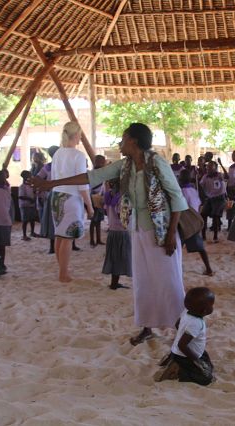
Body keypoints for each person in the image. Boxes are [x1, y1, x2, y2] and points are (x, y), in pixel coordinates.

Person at [32, 123, 188, 346]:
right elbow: (91, 177)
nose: (120, 143)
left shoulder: (156, 162)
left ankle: (182, 329)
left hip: (161, 231)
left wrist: (171, 234)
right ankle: (147, 327)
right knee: (143, 280)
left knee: (168, 280)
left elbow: (177, 198)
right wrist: (51, 183)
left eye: (123, 138)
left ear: (133, 141)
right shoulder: (125, 165)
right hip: (138, 229)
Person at [50, 122, 94, 282]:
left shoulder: (58, 153)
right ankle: (63, 273)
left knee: (60, 236)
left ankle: (62, 270)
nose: (80, 138)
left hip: (56, 196)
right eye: (80, 135)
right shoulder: (78, 155)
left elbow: (53, 178)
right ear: (75, 135)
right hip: (71, 198)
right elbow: (82, 184)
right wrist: (89, 206)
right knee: (68, 238)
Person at [155, 287, 216, 385]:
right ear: (204, 311)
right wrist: (196, 360)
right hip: (185, 356)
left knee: (208, 364)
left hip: (183, 351)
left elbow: (177, 324)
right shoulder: (196, 323)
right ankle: (178, 371)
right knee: (205, 378)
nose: (213, 307)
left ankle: (173, 359)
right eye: (212, 305)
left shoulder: (186, 312)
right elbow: (182, 345)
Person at [179, 170, 213, 276]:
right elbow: (198, 204)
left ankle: (178, 268)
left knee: (178, 247)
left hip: (184, 222)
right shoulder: (194, 190)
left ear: (180, 179)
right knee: (200, 248)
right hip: (194, 221)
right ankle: (209, 269)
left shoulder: (181, 191)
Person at [102, 178, 131, 290]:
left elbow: (106, 211)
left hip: (112, 231)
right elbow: (122, 218)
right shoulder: (122, 198)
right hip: (121, 232)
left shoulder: (108, 195)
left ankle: (114, 282)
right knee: (120, 258)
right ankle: (114, 284)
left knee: (114, 257)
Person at [199, 161, 226, 242]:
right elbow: (201, 186)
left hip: (219, 198)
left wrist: (221, 164)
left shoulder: (219, 175)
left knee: (215, 215)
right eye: (208, 167)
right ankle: (203, 236)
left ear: (215, 168)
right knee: (203, 214)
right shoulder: (205, 177)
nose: (208, 168)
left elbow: (227, 176)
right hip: (210, 198)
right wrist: (204, 196)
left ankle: (215, 236)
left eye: (211, 167)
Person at [89, 155, 107, 247]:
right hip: (94, 198)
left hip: (98, 197)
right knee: (94, 220)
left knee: (98, 220)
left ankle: (98, 239)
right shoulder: (95, 173)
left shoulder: (97, 172)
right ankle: (92, 240)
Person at [18, 170, 38, 241]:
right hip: (24, 205)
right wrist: (30, 199)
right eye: (29, 175)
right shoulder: (22, 186)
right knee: (25, 221)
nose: (31, 176)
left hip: (31, 205)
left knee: (32, 219)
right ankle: (24, 235)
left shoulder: (30, 185)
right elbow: (20, 196)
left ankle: (32, 232)